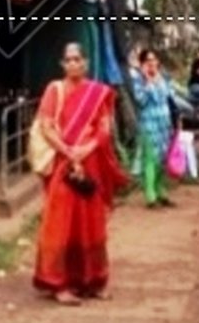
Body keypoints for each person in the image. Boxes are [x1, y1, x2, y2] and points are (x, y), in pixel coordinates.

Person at [33, 42, 129, 306]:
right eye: (69, 60)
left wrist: (85, 149)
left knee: (91, 223)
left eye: (78, 59)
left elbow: (104, 128)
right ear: (62, 64)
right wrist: (68, 151)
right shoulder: (54, 90)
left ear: (86, 63)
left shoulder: (96, 93)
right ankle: (59, 283)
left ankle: (93, 280)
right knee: (60, 223)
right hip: (64, 164)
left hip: (90, 164)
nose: (73, 64)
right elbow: (46, 126)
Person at [132, 48, 178, 209]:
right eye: (148, 60)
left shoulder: (163, 77)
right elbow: (141, 100)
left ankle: (161, 192)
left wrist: (156, 80)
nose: (152, 63)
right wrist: (148, 81)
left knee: (162, 159)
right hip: (149, 124)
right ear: (142, 64)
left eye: (154, 60)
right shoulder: (138, 80)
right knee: (151, 159)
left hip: (164, 124)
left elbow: (167, 96)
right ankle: (150, 196)